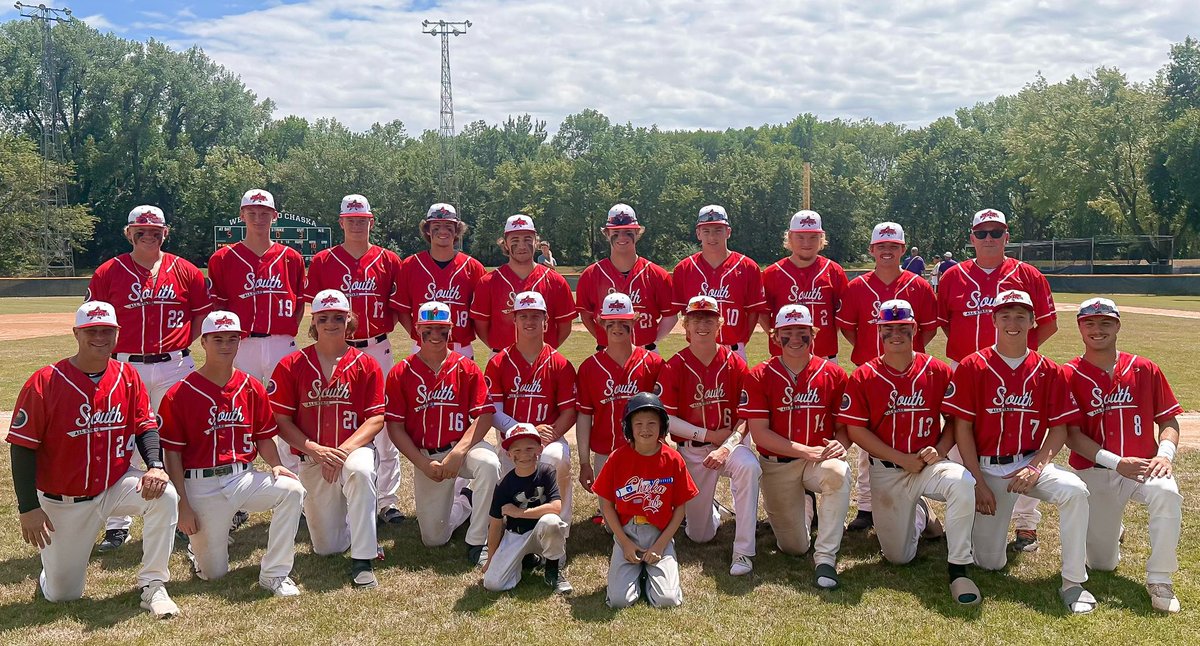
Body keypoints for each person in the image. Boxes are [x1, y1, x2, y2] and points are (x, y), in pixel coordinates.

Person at [8, 301, 180, 618]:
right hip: (64, 501)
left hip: (115, 485)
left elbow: (145, 426)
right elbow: (22, 446)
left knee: (164, 495)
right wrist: (28, 507)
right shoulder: (45, 381)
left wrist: (155, 465)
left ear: (116, 334)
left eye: (106, 331)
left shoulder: (127, 376)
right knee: (63, 594)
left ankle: (153, 585)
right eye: (92, 330)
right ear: (76, 333)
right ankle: (52, 571)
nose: (99, 337)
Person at [944, 289, 1094, 614]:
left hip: (1027, 462)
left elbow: (1059, 428)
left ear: (1032, 321)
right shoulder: (973, 365)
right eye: (1006, 315)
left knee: (1075, 491)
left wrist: (1038, 466)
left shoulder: (1048, 370)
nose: (1013, 322)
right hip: (985, 468)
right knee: (989, 563)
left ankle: (1073, 582)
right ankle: (972, 532)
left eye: (1021, 315)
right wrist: (978, 482)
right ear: (994, 319)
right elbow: (962, 429)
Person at [838, 299, 980, 605]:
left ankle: (958, 567)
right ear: (879, 331)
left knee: (961, 481)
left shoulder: (937, 370)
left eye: (902, 327)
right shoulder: (863, 375)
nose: (895, 334)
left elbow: (956, 420)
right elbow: (856, 430)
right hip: (886, 470)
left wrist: (941, 450)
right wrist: (899, 457)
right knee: (898, 558)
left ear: (914, 328)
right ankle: (922, 513)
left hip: (928, 465)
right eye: (888, 328)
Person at [86, 204, 211, 551]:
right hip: (125, 364)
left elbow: (201, 315)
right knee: (121, 437)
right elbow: (92, 322)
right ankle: (117, 523)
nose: (148, 235)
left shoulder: (184, 269)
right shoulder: (109, 272)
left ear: (165, 233)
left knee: (180, 437)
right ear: (129, 233)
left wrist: (183, 343)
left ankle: (185, 514)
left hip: (174, 364)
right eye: (141, 230)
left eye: (155, 230)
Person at [937, 208, 1057, 554]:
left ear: (1006, 236)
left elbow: (1046, 323)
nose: (989, 238)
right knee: (964, 446)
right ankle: (967, 514)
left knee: (1023, 444)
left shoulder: (1029, 275)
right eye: (982, 233)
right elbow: (945, 324)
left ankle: (1026, 526)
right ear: (972, 237)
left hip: (1018, 372)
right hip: (967, 369)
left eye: (996, 232)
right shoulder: (953, 276)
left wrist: (1019, 358)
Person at [160, 311, 305, 596]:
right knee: (214, 574)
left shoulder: (251, 387)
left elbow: (263, 437)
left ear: (240, 342)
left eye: (232, 339)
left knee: (292, 490)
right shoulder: (180, 393)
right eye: (218, 339)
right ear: (203, 342)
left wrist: (275, 465)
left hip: (242, 478)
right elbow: (173, 455)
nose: (225, 345)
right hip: (200, 485)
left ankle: (275, 573)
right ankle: (198, 551)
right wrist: (182, 504)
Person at [1063, 298, 1184, 613]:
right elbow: (1072, 437)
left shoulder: (1144, 368)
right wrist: (1117, 463)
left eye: (1105, 322)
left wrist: (1165, 454)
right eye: (1090, 323)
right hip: (1094, 472)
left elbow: (1168, 421)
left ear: (1117, 325)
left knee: (1168, 494)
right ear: (1080, 327)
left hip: (1144, 467)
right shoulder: (1069, 374)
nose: (1097, 329)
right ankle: (1111, 531)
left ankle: (1160, 579)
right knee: (1102, 563)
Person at [269, 289, 386, 590]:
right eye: (324, 318)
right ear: (314, 322)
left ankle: (363, 558)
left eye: (338, 317)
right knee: (327, 547)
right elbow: (281, 420)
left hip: (354, 449)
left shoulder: (366, 363)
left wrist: (342, 452)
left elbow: (375, 418)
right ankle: (356, 527)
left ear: (349, 321)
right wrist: (316, 450)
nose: (331, 323)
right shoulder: (292, 364)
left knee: (360, 472)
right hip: (312, 458)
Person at [303, 194, 406, 526]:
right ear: (341, 222)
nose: (357, 224)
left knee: (386, 421)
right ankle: (317, 497)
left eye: (363, 219)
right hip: (335, 349)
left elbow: (400, 307)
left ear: (371, 222)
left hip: (377, 346)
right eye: (351, 219)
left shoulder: (390, 260)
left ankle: (387, 500)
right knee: (330, 415)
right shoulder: (322, 261)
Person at [835, 221, 936, 532]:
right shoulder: (856, 287)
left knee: (912, 440)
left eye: (894, 246)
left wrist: (905, 354)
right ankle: (866, 506)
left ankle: (919, 503)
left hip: (912, 375)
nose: (887, 251)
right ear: (872, 250)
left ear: (903, 250)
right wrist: (871, 352)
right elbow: (848, 328)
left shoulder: (919, 286)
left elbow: (928, 328)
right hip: (870, 375)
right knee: (868, 444)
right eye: (882, 246)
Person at [385, 301, 501, 566]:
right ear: (417, 330)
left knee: (489, 464)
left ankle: (478, 539)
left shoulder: (466, 367)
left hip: (463, 447)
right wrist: (423, 463)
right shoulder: (401, 372)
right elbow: (395, 427)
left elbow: (484, 414)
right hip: (427, 456)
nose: (435, 336)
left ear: (451, 330)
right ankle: (466, 501)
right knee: (434, 539)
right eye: (428, 330)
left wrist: (459, 453)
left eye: (441, 329)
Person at [744, 304, 850, 589]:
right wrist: (805, 450)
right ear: (775, 337)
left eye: (801, 332)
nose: (794, 338)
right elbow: (760, 435)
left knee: (838, 473)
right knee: (794, 547)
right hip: (778, 464)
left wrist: (841, 444)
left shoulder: (834, 374)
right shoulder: (759, 375)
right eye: (786, 332)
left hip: (818, 460)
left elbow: (844, 426)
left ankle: (826, 557)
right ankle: (804, 506)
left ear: (813, 334)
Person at [659, 295, 760, 576]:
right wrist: (707, 434)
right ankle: (710, 510)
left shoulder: (736, 363)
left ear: (720, 325)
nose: (702, 325)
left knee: (749, 467)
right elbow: (666, 418)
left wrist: (726, 446)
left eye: (709, 319)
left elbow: (746, 417)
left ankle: (743, 552)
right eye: (695, 319)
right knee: (699, 535)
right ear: (685, 326)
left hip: (729, 446)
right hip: (692, 450)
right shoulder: (675, 365)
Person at [207, 189, 304, 476]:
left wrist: (285, 335)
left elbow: (299, 304)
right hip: (243, 344)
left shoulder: (291, 257)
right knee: (236, 411)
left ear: (274, 216)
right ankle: (237, 481)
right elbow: (219, 308)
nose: (258, 218)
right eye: (252, 213)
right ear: (242, 215)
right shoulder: (223, 258)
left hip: (281, 343)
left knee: (289, 412)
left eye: (264, 213)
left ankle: (294, 485)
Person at [594, 392, 698, 608]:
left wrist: (660, 545)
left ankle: (648, 574)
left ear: (662, 426)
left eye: (652, 423)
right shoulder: (617, 458)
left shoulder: (672, 459)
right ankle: (637, 574)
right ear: (628, 427)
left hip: (659, 533)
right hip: (627, 531)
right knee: (619, 602)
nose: (645, 429)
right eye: (638, 423)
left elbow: (680, 508)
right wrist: (624, 542)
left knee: (667, 600)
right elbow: (606, 504)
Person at [485, 291, 578, 529]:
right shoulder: (498, 362)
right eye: (523, 316)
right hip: (511, 441)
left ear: (546, 321)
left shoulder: (560, 363)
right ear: (514, 320)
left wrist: (550, 435)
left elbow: (569, 411)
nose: (529, 322)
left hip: (550, 438)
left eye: (536, 316)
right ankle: (518, 526)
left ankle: (560, 528)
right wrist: (523, 433)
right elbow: (493, 410)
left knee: (555, 458)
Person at [576, 293, 666, 525]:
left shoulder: (653, 363)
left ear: (634, 321)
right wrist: (585, 462)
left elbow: (664, 416)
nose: (617, 327)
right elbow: (585, 416)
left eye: (623, 321)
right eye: (611, 322)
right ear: (602, 323)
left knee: (647, 518)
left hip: (646, 453)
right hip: (606, 454)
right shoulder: (589, 367)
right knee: (614, 525)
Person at [481, 424, 572, 594]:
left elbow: (556, 507)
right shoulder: (503, 485)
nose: (524, 455)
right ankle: (527, 559)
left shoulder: (547, 472)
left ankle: (552, 572)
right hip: (515, 534)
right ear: (508, 454)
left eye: (530, 448)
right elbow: (495, 524)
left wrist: (519, 512)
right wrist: (491, 559)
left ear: (540, 449)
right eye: (517, 450)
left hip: (542, 532)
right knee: (493, 584)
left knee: (552, 521)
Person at [576, 204, 677, 353]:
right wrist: (603, 339)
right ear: (607, 233)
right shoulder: (591, 275)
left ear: (637, 232)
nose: (622, 237)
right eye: (616, 231)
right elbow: (586, 316)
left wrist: (651, 341)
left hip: (646, 351)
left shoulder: (657, 274)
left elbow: (671, 315)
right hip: (607, 352)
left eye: (628, 231)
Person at [671, 205, 767, 360]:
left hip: (735, 349)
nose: (712, 237)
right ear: (698, 233)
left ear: (728, 232)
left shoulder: (748, 267)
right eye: (706, 231)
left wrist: (741, 342)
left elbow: (753, 312)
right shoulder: (684, 269)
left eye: (718, 230)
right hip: (697, 349)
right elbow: (683, 312)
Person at [393, 203, 486, 359]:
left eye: (449, 226)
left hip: (460, 347)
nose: (443, 231)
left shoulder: (473, 267)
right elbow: (402, 309)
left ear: (457, 230)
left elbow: (481, 313)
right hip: (422, 345)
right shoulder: (410, 265)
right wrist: (417, 335)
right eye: (436, 226)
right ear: (427, 230)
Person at [471, 214, 576, 352]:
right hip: (501, 360)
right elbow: (481, 326)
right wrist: (501, 353)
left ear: (536, 242)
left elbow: (564, 328)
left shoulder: (556, 281)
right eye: (515, 239)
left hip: (543, 360)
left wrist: (545, 353)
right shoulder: (488, 282)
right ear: (505, 244)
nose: (521, 245)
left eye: (527, 239)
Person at [761, 210, 848, 362]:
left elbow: (842, 314)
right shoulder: (772, 273)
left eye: (813, 237)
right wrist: (774, 334)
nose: (806, 243)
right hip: (783, 357)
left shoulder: (834, 271)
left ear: (821, 238)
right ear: (789, 237)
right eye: (800, 237)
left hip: (825, 356)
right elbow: (763, 312)